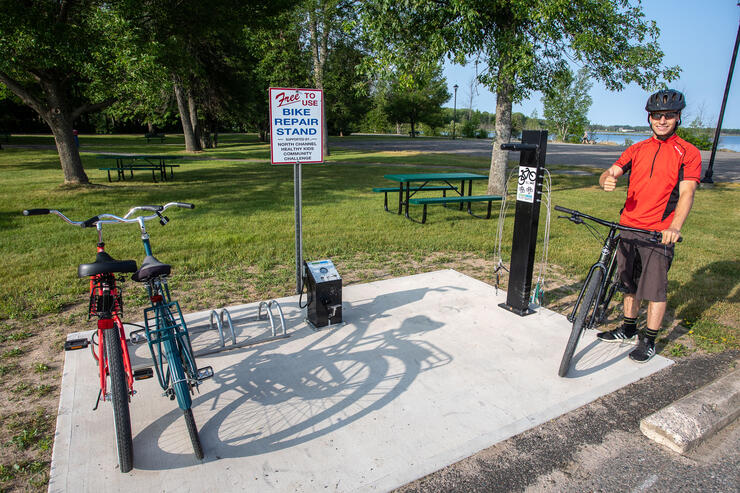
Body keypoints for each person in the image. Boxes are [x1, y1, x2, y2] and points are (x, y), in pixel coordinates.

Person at [596, 89, 701, 363]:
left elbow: (687, 193)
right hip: (629, 226)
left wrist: (675, 227)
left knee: (654, 287)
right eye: (657, 116)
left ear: (678, 117)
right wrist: (605, 179)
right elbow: (612, 171)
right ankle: (628, 328)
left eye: (668, 115)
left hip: (659, 232)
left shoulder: (687, 153)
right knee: (628, 282)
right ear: (650, 118)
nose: (662, 120)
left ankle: (649, 340)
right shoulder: (637, 148)